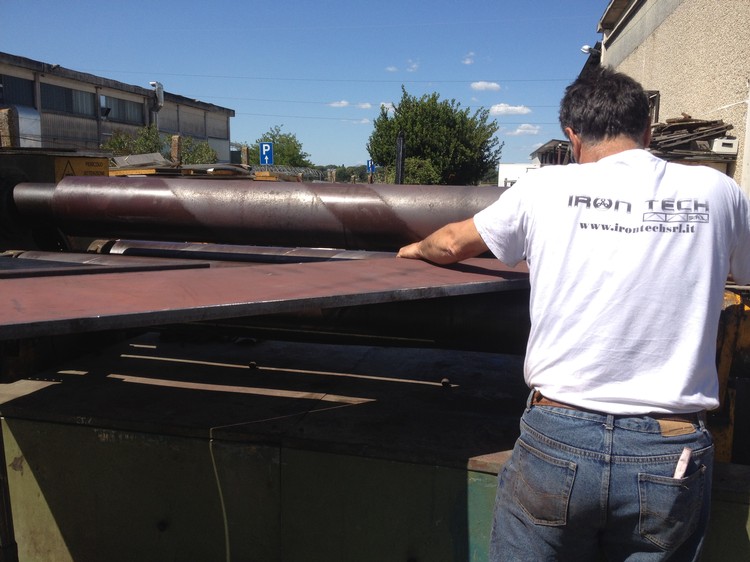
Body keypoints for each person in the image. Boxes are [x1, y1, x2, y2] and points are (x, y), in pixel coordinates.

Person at [398, 66, 750, 561]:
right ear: (648, 131)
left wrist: (413, 249)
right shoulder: (719, 192)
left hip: (559, 436)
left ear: (573, 136)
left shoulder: (543, 187)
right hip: (670, 449)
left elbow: (453, 243)